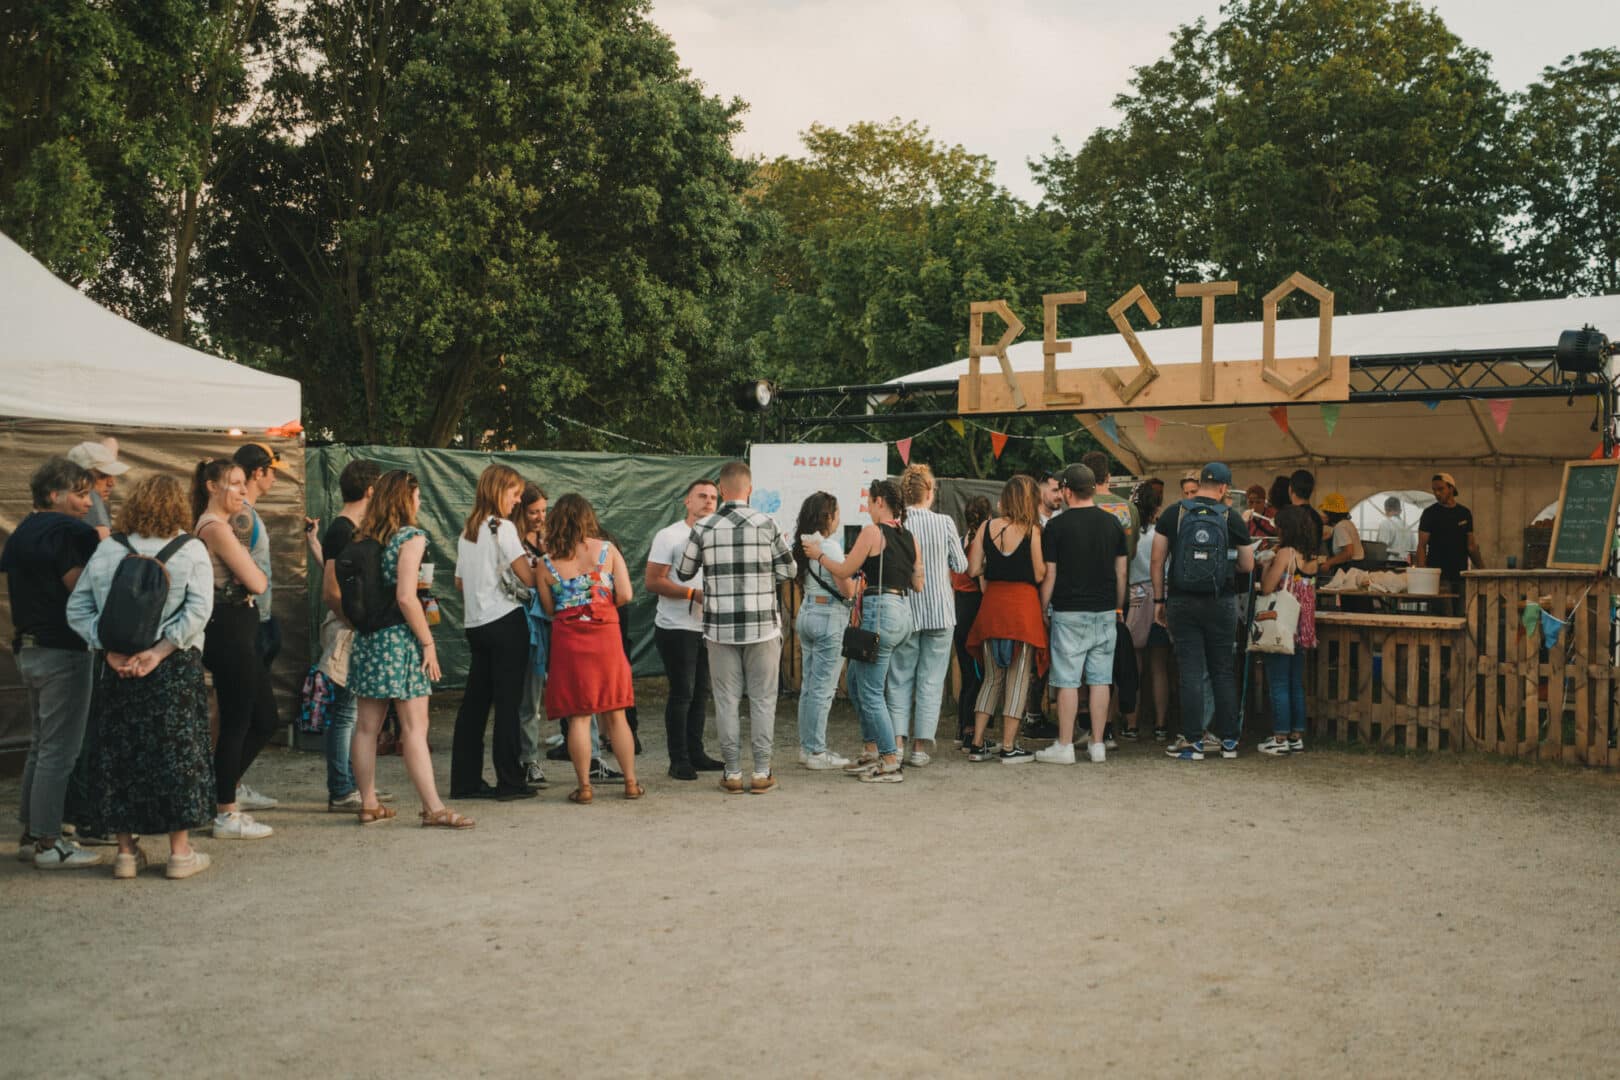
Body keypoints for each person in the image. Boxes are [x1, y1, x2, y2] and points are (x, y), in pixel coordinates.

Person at [64, 475, 215, 879]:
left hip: (118, 667)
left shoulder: (109, 548)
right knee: (176, 755)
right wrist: (160, 651)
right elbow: (199, 611)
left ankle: (126, 853)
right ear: (179, 506)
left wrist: (107, 649)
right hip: (173, 669)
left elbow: (77, 608)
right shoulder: (191, 549)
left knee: (118, 756)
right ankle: (180, 853)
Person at [345, 470, 471, 828]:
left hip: (369, 639)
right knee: (415, 727)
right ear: (405, 499)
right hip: (400, 641)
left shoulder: (365, 537)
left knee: (366, 727)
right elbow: (406, 596)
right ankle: (433, 807)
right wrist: (428, 643)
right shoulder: (411, 538)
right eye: (416, 496)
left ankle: (368, 803)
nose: (420, 502)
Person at [676, 461, 796, 794]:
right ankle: (761, 772)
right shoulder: (767, 523)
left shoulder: (704, 527)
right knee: (763, 700)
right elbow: (789, 570)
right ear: (750, 490)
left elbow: (684, 572)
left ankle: (731, 773)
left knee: (726, 701)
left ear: (721, 489)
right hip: (763, 628)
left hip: (719, 628)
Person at [5, 458, 102, 869]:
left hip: (28, 649)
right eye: (80, 494)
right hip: (63, 650)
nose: (88, 503)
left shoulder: (22, 532)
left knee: (42, 746)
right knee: (60, 752)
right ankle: (49, 842)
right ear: (53, 495)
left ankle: (32, 835)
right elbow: (80, 590)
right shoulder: (69, 533)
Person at [803, 478, 922, 783]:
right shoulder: (909, 537)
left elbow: (844, 570)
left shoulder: (872, 532)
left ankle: (890, 760)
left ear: (880, 502)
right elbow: (918, 583)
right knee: (856, 681)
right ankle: (871, 751)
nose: (867, 508)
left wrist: (818, 555)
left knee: (870, 691)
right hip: (901, 612)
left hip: (879, 613)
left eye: (869, 502)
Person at [537, 494, 641, 803]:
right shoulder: (607, 550)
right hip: (606, 634)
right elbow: (626, 594)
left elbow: (548, 608)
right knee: (616, 713)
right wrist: (601, 603)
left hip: (569, 639)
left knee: (579, 717)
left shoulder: (545, 563)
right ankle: (631, 783)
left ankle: (584, 787)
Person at [192, 459, 275, 838]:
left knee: (264, 718)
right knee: (238, 721)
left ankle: (213, 792)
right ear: (212, 486)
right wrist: (253, 577)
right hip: (227, 629)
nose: (243, 491)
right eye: (235, 483)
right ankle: (225, 810)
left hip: (239, 628)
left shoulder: (221, 526)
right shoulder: (214, 527)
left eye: (245, 483)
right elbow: (258, 582)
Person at [1151, 461, 1256, 761]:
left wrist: (1159, 601)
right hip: (1221, 601)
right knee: (1223, 670)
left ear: (1199, 484)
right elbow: (1247, 565)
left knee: (1191, 671)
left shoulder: (1175, 513)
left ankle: (1194, 741)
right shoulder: (1231, 517)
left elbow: (1157, 560)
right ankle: (1229, 742)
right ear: (1223, 488)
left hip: (1182, 601)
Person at [450, 464, 538, 802]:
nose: (517, 501)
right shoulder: (504, 528)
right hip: (505, 621)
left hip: (476, 623)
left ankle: (465, 781)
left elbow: (460, 582)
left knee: (474, 704)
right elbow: (528, 577)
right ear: (498, 490)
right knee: (508, 704)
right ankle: (510, 781)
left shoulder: (467, 531)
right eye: (514, 494)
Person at [1036, 464, 1127, 765]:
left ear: (1067, 491)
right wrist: (1118, 606)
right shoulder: (1113, 523)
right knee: (1101, 679)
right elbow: (1121, 571)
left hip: (1069, 611)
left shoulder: (1056, 527)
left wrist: (1042, 608)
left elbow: (1050, 574)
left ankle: (1065, 745)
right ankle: (1098, 744)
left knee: (1068, 680)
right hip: (1105, 609)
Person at [316, 458, 392, 811]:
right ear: (371, 491)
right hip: (348, 628)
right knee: (345, 711)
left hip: (354, 624)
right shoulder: (342, 530)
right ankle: (342, 788)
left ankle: (357, 785)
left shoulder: (350, 529)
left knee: (354, 711)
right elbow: (331, 591)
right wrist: (357, 621)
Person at [962, 475, 1048, 763]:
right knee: (1018, 678)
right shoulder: (1033, 530)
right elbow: (1039, 573)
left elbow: (973, 569)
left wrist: (994, 564)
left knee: (991, 678)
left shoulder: (986, 527)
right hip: (1022, 609)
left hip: (992, 607)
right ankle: (1009, 746)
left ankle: (977, 743)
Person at [646, 478, 727, 780]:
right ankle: (678, 759)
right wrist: (693, 594)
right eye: (702, 496)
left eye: (713, 497)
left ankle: (696, 753)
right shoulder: (669, 536)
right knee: (683, 692)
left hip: (708, 627)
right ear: (687, 501)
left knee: (701, 693)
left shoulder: (720, 536)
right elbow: (653, 581)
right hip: (676, 627)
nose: (708, 501)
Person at [890, 464, 968, 766]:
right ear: (931, 492)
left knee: (899, 678)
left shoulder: (898, 523)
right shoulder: (944, 522)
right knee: (931, 681)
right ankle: (920, 748)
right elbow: (960, 565)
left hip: (906, 609)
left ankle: (897, 744)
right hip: (940, 611)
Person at [230, 442, 288, 810]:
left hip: (259, 621)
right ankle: (225, 788)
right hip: (249, 623)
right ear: (257, 472)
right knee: (250, 714)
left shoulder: (248, 515)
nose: (275, 479)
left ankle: (229, 786)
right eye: (272, 472)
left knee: (248, 712)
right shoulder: (242, 517)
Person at [790, 492, 857, 770]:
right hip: (830, 616)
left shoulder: (803, 545)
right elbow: (847, 590)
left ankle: (807, 748)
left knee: (809, 687)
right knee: (823, 689)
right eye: (837, 512)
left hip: (807, 612)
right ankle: (817, 751)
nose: (839, 518)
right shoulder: (828, 547)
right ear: (827, 516)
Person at [1257, 505, 1320, 756]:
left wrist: (1266, 565)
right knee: (1295, 683)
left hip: (1282, 625)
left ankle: (1280, 737)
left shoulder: (1285, 553)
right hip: (1303, 627)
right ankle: (1296, 736)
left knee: (1279, 682)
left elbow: (1267, 587)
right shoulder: (1312, 556)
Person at [1123, 480, 1172, 740]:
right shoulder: (1162, 535)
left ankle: (1131, 724)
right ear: (1157, 507)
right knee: (1159, 666)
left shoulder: (1130, 535)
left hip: (1136, 597)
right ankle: (1161, 725)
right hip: (1161, 595)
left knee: (1133, 664)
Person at [511, 482, 551, 786]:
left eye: (544, 511)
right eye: (534, 511)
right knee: (529, 697)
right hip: (526, 622)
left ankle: (587, 754)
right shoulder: (511, 540)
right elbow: (526, 580)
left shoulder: (548, 537)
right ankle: (528, 759)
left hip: (553, 621)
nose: (540, 517)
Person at [951, 496, 994, 744]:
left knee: (968, 673)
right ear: (988, 517)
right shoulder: (980, 547)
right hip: (974, 610)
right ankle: (970, 731)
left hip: (958, 610)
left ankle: (962, 728)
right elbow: (984, 586)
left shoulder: (959, 542)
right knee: (978, 675)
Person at [1416, 472, 1483, 589]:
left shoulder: (1464, 513)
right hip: (1438, 576)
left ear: (1451, 488)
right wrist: (1422, 575)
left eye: (1441, 489)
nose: (1437, 493)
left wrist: (1483, 570)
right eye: (1434, 490)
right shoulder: (1430, 513)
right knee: (1444, 600)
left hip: (1461, 575)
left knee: (1462, 601)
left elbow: (1471, 546)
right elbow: (1421, 546)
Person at [66, 438, 129, 542]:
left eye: (112, 475)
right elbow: (105, 545)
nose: (111, 483)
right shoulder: (91, 496)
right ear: (80, 477)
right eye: (103, 476)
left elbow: (111, 441)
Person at [1318, 493, 1364, 570]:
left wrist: (1329, 563)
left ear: (1331, 514)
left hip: (1349, 567)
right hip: (1358, 565)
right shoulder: (1347, 523)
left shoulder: (1340, 527)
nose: (1325, 516)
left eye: (1326, 513)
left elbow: (1348, 553)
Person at [1375, 495, 1417, 561]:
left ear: (1386, 509)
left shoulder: (1386, 523)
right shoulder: (1408, 527)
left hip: (1390, 563)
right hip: (1406, 563)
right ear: (1400, 510)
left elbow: (1381, 548)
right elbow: (1414, 549)